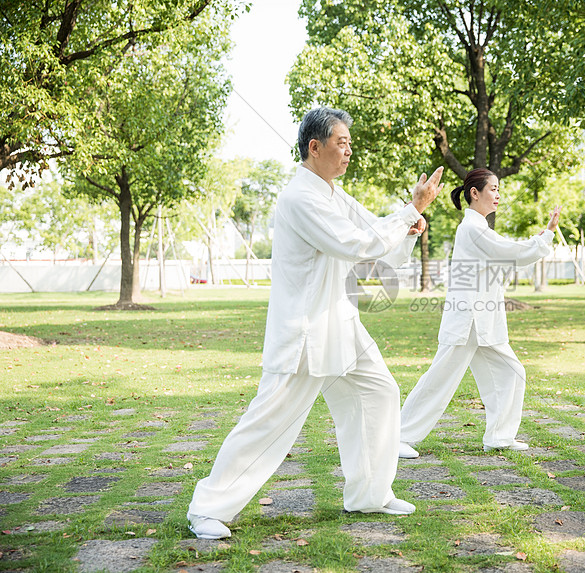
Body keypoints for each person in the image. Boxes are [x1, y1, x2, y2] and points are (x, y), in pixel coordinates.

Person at [187, 106, 444, 539]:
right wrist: (408, 213)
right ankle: (208, 508)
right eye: (341, 144)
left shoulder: (332, 194)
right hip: (304, 331)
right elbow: (357, 244)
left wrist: (408, 222)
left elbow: (375, 230)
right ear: (314, 146)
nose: (348, 153)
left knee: (380, 391)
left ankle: (368, 494)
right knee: (270, 420)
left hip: (340, 323)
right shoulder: (299, 198)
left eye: (349, 145)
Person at [398, 168, 560, 459]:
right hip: (468, 320)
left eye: (499, 190)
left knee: (512, 373)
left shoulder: (479, 229)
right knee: (440, 379)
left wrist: (534, 243)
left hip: (481, 321)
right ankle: (398, 436)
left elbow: (503, 258)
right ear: (475, 193)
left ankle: (499, 436)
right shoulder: (472, 228)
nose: (498, 195)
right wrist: (543, 238)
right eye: (493, 189)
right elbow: (509, 252)